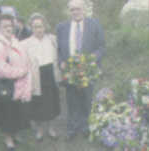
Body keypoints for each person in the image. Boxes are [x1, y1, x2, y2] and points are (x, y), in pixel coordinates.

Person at [56, 0, 105, 140]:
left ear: (84, 9)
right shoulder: (61, 27)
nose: (75, 12)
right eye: (72, 10)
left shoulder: (95, 25)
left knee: (86, 99)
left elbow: (102, 47)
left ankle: (85, 127)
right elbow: (58, 50)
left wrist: (91, 59)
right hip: (70, 73)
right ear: (69, 11)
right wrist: (61, 62)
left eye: (78, 9)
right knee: (71, 100)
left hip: (87, 71)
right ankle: (72, 128)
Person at [0, 14, 32, 151]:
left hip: (18, 86)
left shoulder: (14, 41)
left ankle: (15, 134)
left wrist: (25, 68)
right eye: (5, 26)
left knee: (16, 113)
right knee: (7, 114)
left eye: (11, 25)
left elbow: (24, 59)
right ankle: (8, 139)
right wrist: (21, 72)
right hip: (6, 86)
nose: (9, 28)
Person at [21, 13, 61, 141]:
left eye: (41, 26)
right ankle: (39, 130)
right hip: (36, 77)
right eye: (35, 27)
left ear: (45, 26)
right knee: (38, 104)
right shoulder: (25, 44)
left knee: (53, 103)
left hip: (51, 74)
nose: (38, 29)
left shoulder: (53, 39)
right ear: (31, 28)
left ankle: (51, 128)